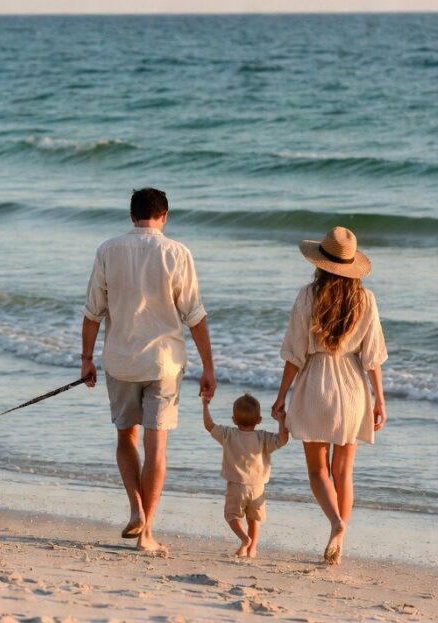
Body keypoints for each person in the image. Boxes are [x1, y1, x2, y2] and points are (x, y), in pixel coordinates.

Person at [81, 187, 216, 554]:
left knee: (127, 439)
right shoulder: (177, 253)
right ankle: (147, 533)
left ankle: (135, 509)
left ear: (132, 216)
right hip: (164, 364)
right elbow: (195, 316)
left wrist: (87, 359)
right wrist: (208, 367)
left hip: (120, 361)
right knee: (157, 448)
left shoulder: (108, 249)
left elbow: (93, 311)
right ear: (165, 216)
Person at [270, 226, 387, 566]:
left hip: (315, 384)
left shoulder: (308, 296)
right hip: (352, 387)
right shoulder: (366, 299)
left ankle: (334, 521)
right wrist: (380, 399)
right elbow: (373, 356)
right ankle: (341, 534)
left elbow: (294, 353)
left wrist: (281, 397)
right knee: (343, 472)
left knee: (317, 471)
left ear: (320, 262)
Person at [202, 392, 288, 558]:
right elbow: (283, 439)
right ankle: (252, 548)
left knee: (232, 516)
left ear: (234, 420)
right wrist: (281, 420)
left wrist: (205, 405)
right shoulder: (263, 437)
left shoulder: (228, 434)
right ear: (259, 420)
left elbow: (209, 426)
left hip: (236, 485)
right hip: (258, 487)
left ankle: (244, 539)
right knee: (254, 519)